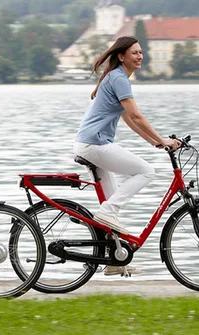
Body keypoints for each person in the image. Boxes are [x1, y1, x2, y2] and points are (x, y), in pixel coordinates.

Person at [73, 36, 180, 276]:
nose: (139, 56)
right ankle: (107, 214)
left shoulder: (116, 77)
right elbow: (137, 115)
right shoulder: (119, 78)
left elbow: (129, 119)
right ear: (122, 56)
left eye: (141, 52)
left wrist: (154, 142)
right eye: (134, 52)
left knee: (112, 204)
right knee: (145, 171)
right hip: (94, 145)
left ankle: (114, 261)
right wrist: (163, 140)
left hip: (90, 144)